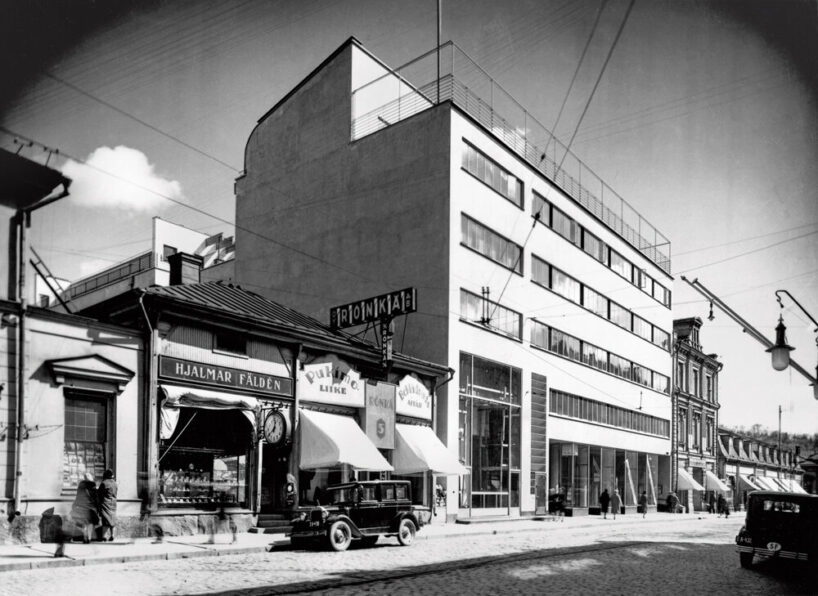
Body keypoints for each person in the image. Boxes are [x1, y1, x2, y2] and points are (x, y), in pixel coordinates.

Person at [71, 472, 98, 543]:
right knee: (90, 523)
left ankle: (85, 536)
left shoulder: (81, 485)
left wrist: (74, 504)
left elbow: (78, 496)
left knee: (84, 523)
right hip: (91, 507)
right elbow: (95, 497)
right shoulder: (93, 485)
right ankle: (88, 537)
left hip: (82, 506)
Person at [97, 469, 118, 541]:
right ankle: (112, 535)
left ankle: (104, 536)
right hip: (113, 503)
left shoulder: (104, 483)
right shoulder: (115, 483)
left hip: (105, 503)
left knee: (105, 520)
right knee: (112, 520)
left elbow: (99, 494)